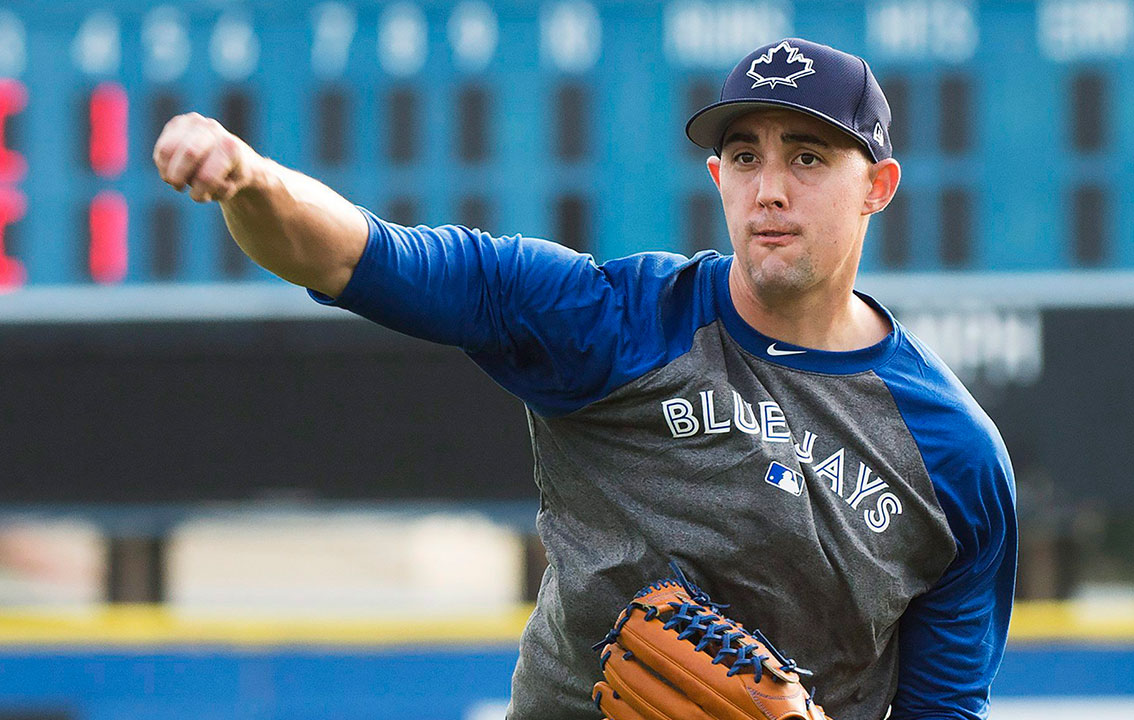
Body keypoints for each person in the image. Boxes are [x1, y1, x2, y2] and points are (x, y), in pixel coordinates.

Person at [153, 37, 1016, 720]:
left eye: (809, 157)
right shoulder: (614, 322)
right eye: (746, 157)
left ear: (880, 187)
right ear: (718, 178)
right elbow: (364, 258)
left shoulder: (953, 457)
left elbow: (944, 708)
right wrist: (251, 181)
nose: (771, 189)